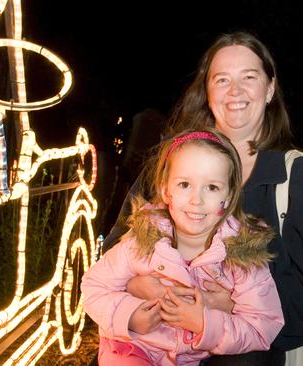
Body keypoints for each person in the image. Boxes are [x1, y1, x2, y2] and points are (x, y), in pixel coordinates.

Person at [102, 31, 303, 365]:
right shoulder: (173, 162)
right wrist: (143, 287)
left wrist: (224, 305)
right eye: (221, 79)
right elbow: (113, 250)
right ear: (207, 91)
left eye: (249, 77)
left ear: (270, 89)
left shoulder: (296, 180)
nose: (235, 91)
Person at [82, 129, 285, 365]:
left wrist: (204, 324)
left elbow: (263, 325)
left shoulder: (242, 259)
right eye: (184, 184)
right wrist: (130, 315)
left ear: (229, 197)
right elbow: (93, 286)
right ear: (166, 191)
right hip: (131, 349)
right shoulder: (142, 242)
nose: (196, 200)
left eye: (211, 187)